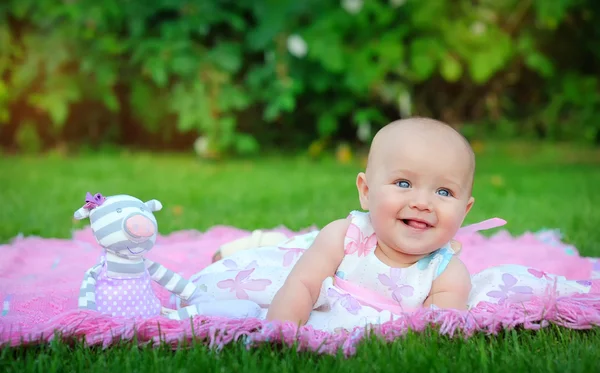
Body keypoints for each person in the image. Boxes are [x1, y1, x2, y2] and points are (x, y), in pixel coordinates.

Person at [180, 117, 599, 329]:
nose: (422, 203)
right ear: (365, 191)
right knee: (273, 258)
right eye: (403, 183)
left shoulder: (447, 272)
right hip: (314, 257)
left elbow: (439, 327)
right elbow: (303, 284)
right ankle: (249, 242)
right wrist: (283, 331)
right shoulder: (342, 234)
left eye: (444, 193)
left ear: (466, 211)